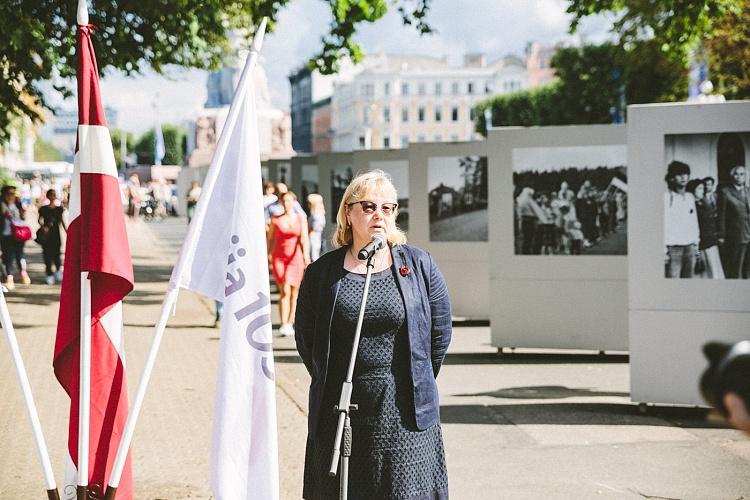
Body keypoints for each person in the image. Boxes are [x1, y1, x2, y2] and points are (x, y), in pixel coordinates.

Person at [295, 169, 451, 500]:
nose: (379, 215)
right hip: (343, 408)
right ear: (348, 214)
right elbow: (308, 341)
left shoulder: (420, 266)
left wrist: (418, 377)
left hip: (406, 411)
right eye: (368, 206)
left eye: (388, 208)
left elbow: (439, 334)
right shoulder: (322, 274)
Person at [268, 191, 310, 336]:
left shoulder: (300, 219)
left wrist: (306, 257)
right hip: (279, 258)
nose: (286, 204)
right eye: (284, 201)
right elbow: (270, 238)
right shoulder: (275, 220)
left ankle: (291, 322)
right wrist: (268, 254)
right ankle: (283, 322)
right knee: (284, 290)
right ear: (281, 203)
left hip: (295, 258)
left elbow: (304, 239)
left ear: (294, 202)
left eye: (289, 201)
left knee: (294, 291)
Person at [664, 161, 700, 278]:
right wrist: (664, 251)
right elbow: (663, 224)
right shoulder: (666, 198)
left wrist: (696, 243)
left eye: (685, 174)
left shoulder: (690, 197)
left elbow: (693, 222)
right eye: (679, 174)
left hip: (690, 247)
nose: (683, 177)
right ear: (672, 178)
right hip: (674, 248)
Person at [716, 165, 750, 279]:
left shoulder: (748, 191)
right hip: (736, 235)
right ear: (732, 176)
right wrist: (721, 235)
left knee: (748, 269)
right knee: (736, 269)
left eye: (742, 174)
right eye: (736, 174)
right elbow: (721, 215)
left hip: (749, 233)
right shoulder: (725, 192)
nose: (739, 177)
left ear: (745, 177)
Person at [687, 179, 724, 279]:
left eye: (703, 188)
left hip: (711, 241)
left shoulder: (704, 203)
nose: (702, 190)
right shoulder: (690, 205)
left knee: (714, 270)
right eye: (699, 188)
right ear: (692, 190)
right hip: (701, 243)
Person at [0, 185, 30, 288]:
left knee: (20, 255)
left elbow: (23, 217)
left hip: (18, 234)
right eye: (8, 193)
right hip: (6, 234)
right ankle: (10, 277)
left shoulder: (18, 203)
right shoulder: (2, 204)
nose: (11, 196)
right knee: (8, 257)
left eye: (13, 193)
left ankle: (23, 272)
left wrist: (23, 211)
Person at [37, 189, 67, 284]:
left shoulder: (59, 209)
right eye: (51, 195)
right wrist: (43, 227)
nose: (52, 197)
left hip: (56, 234)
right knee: (47, 254)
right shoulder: (43, 209)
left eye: (54, 195)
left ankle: (58, 270)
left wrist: (67, 230)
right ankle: (49, 273)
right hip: (47, 235)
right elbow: (39, 219)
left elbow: (61, 221)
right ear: (48, 196)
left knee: (57, 253)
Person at [307, 193, 326, 262]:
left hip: (313, 238)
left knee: (314, 256)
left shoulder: (317, 215)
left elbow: (313, 228)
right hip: (316, 237)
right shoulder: (319, 214)